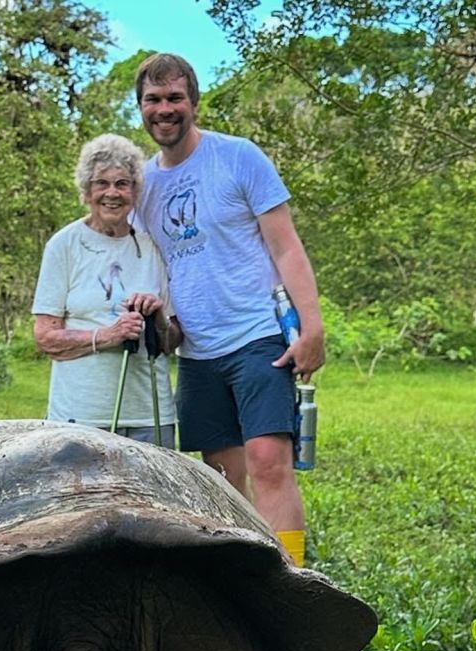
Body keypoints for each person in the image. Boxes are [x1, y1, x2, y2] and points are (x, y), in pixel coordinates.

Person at [133, 53, 325, 567]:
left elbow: (286, 246)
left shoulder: (239, 158)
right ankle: (246, 574)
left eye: (175, 98)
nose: (165, 109)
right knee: (220, 476)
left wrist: (312, 326)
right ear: (141, 109)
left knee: (268, 463)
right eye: (154, 100)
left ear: (193, 102)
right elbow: (146, 268)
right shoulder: (142, 187)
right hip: (195, 348)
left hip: (258, 333)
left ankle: (293, 578)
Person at [32, 133, 182, 445]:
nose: (112, 193)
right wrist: (108, 336)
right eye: (102, 183)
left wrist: (156, 319)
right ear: (86, 191)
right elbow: (46, 337)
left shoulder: (153, 246)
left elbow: (172, 342)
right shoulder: (65, 245)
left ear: (135, 192)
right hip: (79, 415)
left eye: (122, 183)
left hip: (149, 415)